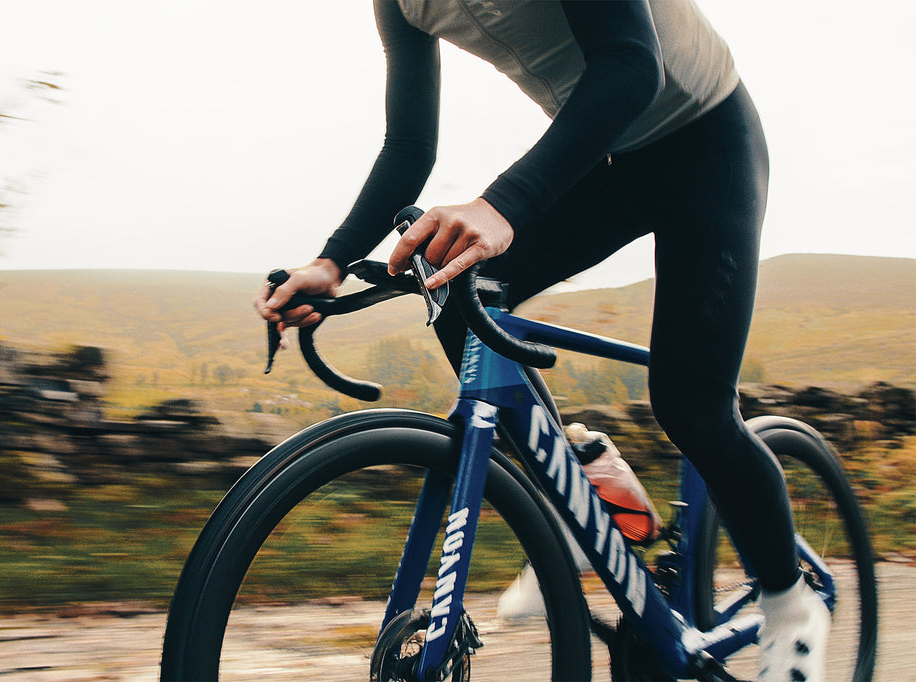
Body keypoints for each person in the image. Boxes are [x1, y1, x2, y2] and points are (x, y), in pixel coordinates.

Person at [255, 2, 828, 679]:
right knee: (459, 288)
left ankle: (790, 605)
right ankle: (584, 485)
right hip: (611, 153)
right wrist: (332, 260)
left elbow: (631, 63)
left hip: (706, 140)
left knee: (692, 406)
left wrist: (500, 207)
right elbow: (409, 144)